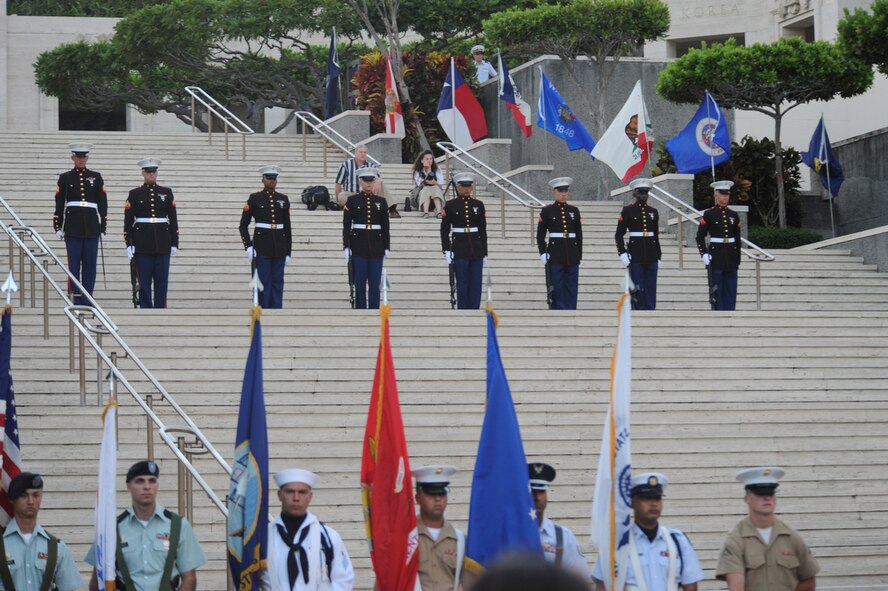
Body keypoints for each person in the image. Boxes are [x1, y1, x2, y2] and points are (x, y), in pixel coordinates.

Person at [87, 460, 207, 591]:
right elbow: (96, 581)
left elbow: (189, 578)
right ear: (128, 486)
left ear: (157, 485)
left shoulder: (178, 525)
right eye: (139, 481)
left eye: (152, 481)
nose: (147, 487)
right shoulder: (112, 529)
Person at [592, 472, 704, 591]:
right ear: (632, 503)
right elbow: (602, 586)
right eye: (646, 498)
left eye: (657, 498)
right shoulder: (616, 544)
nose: (654, 504)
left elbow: (690, 584)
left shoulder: (678, 540)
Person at [716, 467, 820, 591]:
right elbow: (736, 586)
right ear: (747, 499)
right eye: (760, 493)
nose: (767, 498)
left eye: (770, 493)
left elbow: (808, 582)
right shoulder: (736, 540)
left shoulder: (792, 538)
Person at [265, 468, 354, 591]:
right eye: (290, 492)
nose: (296, 498)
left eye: (302, 492)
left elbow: (343, 580)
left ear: (310, 496)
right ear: (279, 495)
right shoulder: (264, 537)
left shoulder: (328, 536)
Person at [0, 472, 83, 591]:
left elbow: (71, 588)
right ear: (12, 499)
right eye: (24, 495)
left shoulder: (57, 548)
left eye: (36, 495)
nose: (31, 501)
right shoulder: (2, 544)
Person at [53, 142, 108, 305]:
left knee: (90, 265)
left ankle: (87, 296)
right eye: (78, 157)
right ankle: (75, 296)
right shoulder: (65, 177)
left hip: (91, 226)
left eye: (84, 157)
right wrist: (58, 226)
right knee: (74, 264)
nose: (81, 160)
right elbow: (59, 203)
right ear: (73, 157)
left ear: (87, 158)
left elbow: (102, 203)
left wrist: (103, 226)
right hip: (73, 226)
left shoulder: (96, 176)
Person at [124, 157, 179, 309]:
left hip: (162, 241)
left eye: (154, 172)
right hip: (141, 242)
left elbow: (173, 219)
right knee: (144, 280)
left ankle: (161, 307)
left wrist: (175, 242)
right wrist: (129, 244)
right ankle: (146, 307)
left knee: (162, 279)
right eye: (148, 172)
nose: (151, 175)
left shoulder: (166, 192)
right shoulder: (134, 194)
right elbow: (128, 221)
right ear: (143, 173)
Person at [412, 465, 473, 591]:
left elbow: (470, 585)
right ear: (418, 498)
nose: (438, 499)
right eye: (431, 493)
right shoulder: (406, 538)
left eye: (442, 493)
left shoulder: (460, 541)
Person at [240, 165, 292, 309]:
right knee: (263, 281)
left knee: (278, 281)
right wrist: (248, 246)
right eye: (268, 178)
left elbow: (287, 228)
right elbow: (243, 226)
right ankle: (263, 309)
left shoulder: (283, 199)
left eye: (274, 178)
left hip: (279, 247)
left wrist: (288, 252)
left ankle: (276, 309)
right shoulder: (255, 198)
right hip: (261, 246)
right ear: (262, 179)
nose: (271, 181)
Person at [527, 462, 589, 578]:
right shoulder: (509, 535)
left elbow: (581, 579)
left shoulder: (563, 536)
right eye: (533, 492)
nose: (537, 498)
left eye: (542, 491)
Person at [343, 168, 390, 309]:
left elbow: (385, 226)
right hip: (358, 246)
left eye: (371, 181)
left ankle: (375, 309)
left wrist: (386, 246)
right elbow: (346, 226)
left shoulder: (381, 202)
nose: (369, 184)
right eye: (366, 181)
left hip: (376, 246)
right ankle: (360, 310)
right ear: (360, 182)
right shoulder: (352, 200)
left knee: (375, 283)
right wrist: (346, 246)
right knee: (360, 283)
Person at [441, 172, 487, 309]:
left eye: (469, 186)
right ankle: (463, 310)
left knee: (476, 282)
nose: (467, 189)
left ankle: (474, 308)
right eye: (463, 186)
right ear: (457, 187)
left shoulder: (478, 205)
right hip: (459, 247)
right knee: (462, 281)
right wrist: (447, 250)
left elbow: (482, 230)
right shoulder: (450, 205)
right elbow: (444, 230)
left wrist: (485, 251)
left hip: (476, 247)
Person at [537, 177, 583, 310]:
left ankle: (571, 309)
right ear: (554, 193)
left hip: (572, 253)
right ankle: (559, 310)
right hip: (555, 254)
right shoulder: (547, 211)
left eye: (566, 191)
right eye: (561, 191)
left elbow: (579, 235)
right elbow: (540, 235)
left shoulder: (574, 211)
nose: (564, 194)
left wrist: (579, 254)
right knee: (557, 284)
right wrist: (543, 252)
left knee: (571, 285)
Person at [615, 178, 661, 310]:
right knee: (637, 285)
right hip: (636, 254)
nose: (644, 196)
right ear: (635, 194)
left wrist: (658, 255)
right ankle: (638, 308)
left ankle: (650, 308)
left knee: (651, 285)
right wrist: (622, 252)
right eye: (641, 193)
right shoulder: (628, 211)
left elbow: (655, 236)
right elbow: (619, 234)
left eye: (646, 193)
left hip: (651, 254)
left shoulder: (653, 211)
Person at [696, 180, 741, 311]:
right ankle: (718, 313)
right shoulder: (709, 214)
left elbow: (737, 238)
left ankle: (730, 311)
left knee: (731, 289)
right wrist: (704, 253)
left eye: (727, 195)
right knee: (717, 288)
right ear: (716, 195)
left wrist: (737, 257)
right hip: (716, 255)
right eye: (722, 194)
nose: (725, 197)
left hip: (731, 256)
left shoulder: (733, 215)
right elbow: (700, 236)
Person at [412, 150, 445, 218]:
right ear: (422, 161)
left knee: (435, 188)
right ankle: (425, 212)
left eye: (431, 159)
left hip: (435, 198)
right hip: (421, 197)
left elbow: (440, 187)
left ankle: (439, 212)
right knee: (426, 189)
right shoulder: (418, 171)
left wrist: (435, 183)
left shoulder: (437, 170)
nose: (429, 161)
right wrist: (428, 170)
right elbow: (422, 184)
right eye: (426, 159)